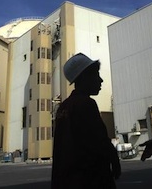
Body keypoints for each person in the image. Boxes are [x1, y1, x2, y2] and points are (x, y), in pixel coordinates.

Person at [51, 53, 121, 189]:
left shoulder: (63, 107)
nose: (100, 80)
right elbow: (99, 140)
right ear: (84, 77)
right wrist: (114, 159)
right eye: (96, 74)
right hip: (90, 179)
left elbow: (60, 150)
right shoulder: (86, 104)